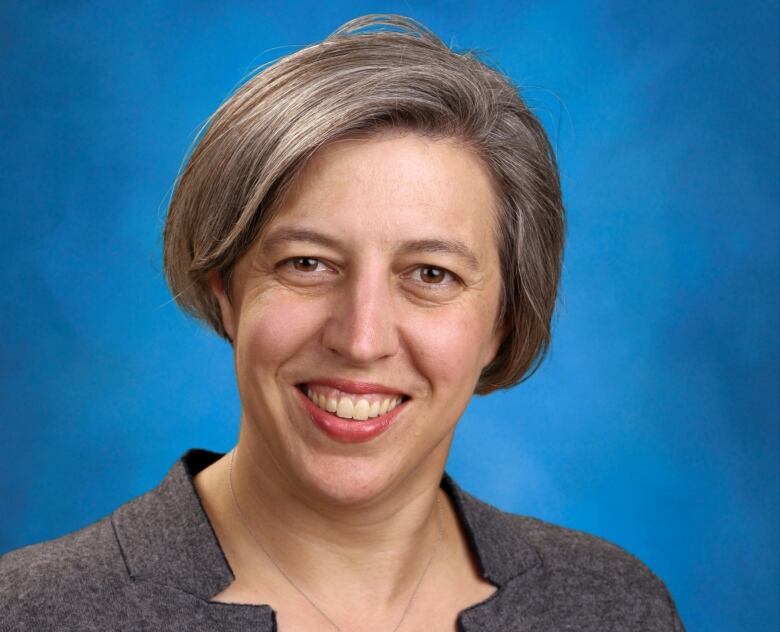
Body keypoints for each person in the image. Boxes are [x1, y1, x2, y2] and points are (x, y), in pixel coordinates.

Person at [0, 14, 685, 631]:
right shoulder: (37, 611)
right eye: (307, 263)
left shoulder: (612, 605)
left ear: (501, 322)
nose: (361, 339)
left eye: (430, 275)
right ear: (225, 288)